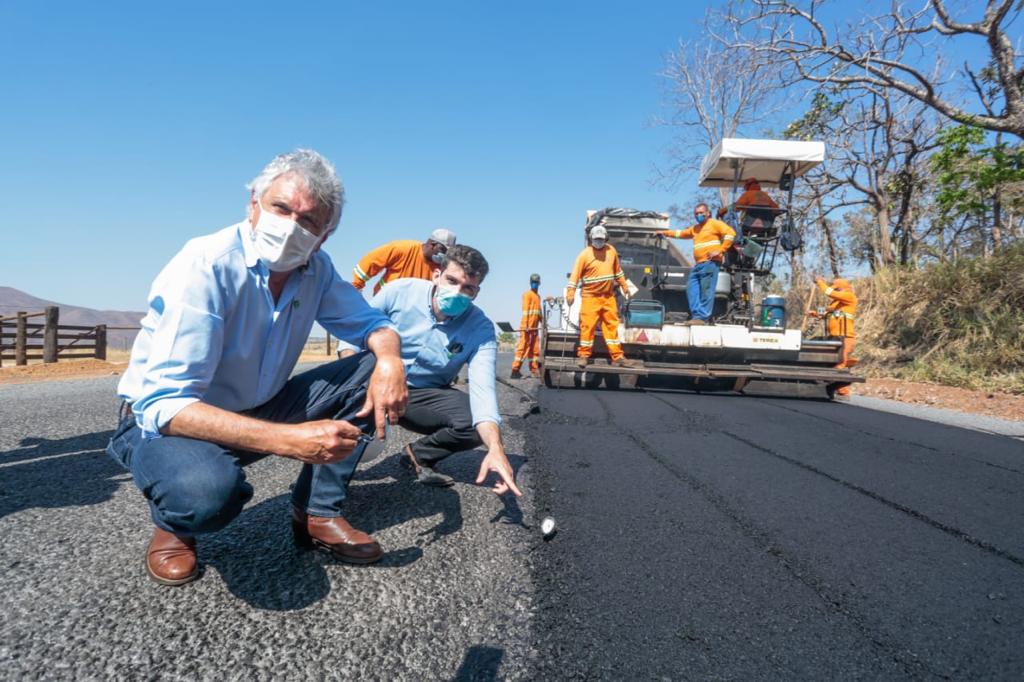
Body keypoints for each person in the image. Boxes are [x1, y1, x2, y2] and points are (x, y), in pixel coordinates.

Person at [107, 149, 409, 586]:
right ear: (254, 204)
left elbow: (372, 323)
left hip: (258, 406)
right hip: (167, 423)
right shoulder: (205, 265)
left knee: (368, 370)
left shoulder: (316, 269)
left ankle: (317, 513)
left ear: (324, 236)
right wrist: (288, 440)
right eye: (280, 208)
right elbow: (166, 405)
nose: (290, 227)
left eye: (307, 222)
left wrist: (391, 359)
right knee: (206, 494)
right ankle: (175, 525)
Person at [369, 245, 522, 495]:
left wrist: (496, 448)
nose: (457, 292)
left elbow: (483, 391)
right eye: (451, 281)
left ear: (477, 292)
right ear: (436, 275)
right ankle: (319, 491)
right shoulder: (398, 292)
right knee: (351, 445)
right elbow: (353, 340)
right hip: (375, 380)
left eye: (467, 289)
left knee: (475, 424)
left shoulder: (480, 329)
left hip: (421, 394)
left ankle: (417, 455)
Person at [566, 226, 638, 369]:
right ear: (591, 239)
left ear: (605, 238)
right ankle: (584, 356)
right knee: (588, 327)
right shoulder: (584, 255)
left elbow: (618, 272)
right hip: (590, 297)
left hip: (608, 297)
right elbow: (575, 276)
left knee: (612, 327)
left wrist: (624, 286)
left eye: (600, 239)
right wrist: (570, 293)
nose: (598, 242)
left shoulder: (611, 251)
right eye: (596, 239)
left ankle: (617, 357)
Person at [659, 203, 736, 325]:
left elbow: (731, 233)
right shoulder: (695, 229)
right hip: (699, 264)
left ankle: (702, 317)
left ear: (708, 213)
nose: (698, 215)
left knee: (706, 290)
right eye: (696, 214)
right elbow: (681, 233)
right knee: (691, 287)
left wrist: (720, 250)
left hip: (710, 263)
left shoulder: (714, 224)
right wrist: (665, 233)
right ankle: (697, 316)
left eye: (701, 213)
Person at [352, 229, 457, 294]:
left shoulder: (440, 268)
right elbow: (370, 262)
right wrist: (356, 287)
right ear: (432, 244)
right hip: (384, 304)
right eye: (442, 250)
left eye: (448, 252)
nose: (444, 255)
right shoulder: (402, 249)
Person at [809, 275, 858, 397]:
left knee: (841, 362)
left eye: (837, 289)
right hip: (834, 337)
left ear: (842, 289)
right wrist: (814, 314)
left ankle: (840, 389)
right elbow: (828, 312)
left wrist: (819, 282)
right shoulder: (837, 303)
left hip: (845, 337)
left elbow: (828, 292)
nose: (835, 291)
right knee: (833, 362)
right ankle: (836, 388)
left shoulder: (849, 297)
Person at [510, 273, 542, 379]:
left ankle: (534, 370)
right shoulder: (527, 295)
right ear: (530, 283)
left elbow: (539, 312)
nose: (534, 284)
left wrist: (544, 322)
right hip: (527, 328)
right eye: (533, 282)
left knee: (535, 350)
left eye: (536, 282)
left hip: (535, 329)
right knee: (523, 348)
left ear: (539, 283)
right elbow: (525, 312)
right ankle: (515, 371)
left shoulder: (538, 297)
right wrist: (526, 326)